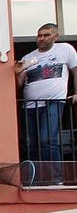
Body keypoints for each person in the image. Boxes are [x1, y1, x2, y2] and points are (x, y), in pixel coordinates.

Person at [16, 23, 77, 184]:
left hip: (54, 102)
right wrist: (17, 73)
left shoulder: (65, 49)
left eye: (46, 35)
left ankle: (56, 178)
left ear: (55, 36)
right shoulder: (28, 57)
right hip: (29, 106)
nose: (41, 38)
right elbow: (19, 85)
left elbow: (75, 71)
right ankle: (38, 178)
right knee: (32, 143)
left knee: (48, 140)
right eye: (39, 35)